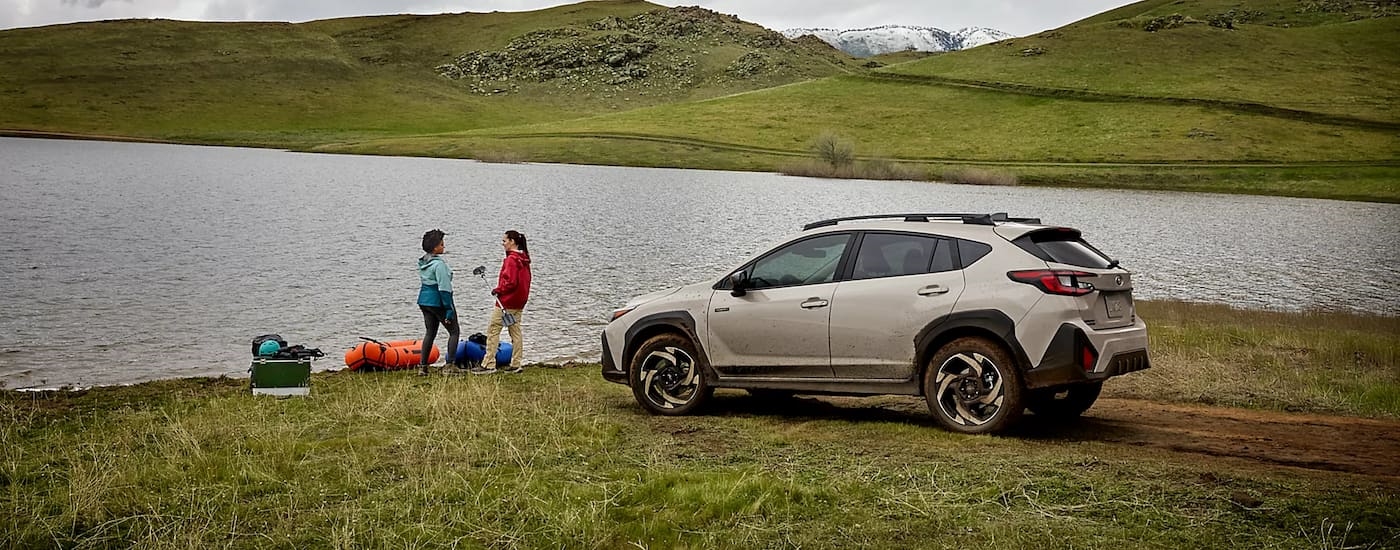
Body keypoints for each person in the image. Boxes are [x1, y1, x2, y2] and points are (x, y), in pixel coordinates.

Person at [474, 230, 531, 375]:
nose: (503, 243)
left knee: (493, 330)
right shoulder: (523, 258)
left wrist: (498, 289)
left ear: (512, 241)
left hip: (506, 301)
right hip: (519, 301)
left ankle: (488, 364)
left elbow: (511, 282)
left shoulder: (512, 260)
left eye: (504, 241)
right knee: (515, 331)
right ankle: (516, 363)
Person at [416, 229, 460, 376]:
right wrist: (448, 308)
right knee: (454, 331)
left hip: (424, 300)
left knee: (430, 332)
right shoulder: (439, 265)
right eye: (442, 244)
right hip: (438, 301)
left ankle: (422, 366)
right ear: (435, 247)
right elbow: (444, 287)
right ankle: (450, 365)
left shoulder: (423, 262)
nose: (444, 246)